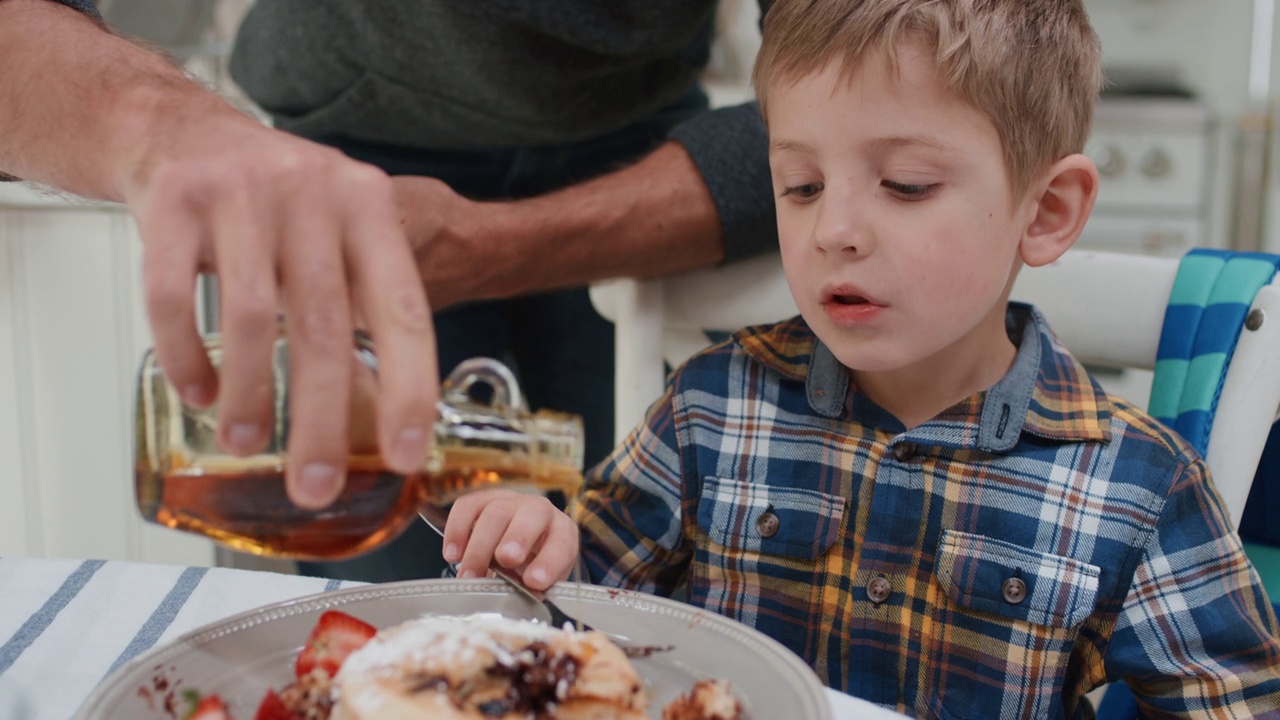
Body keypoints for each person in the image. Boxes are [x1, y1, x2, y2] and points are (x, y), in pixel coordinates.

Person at [443, 0, 1280, 715]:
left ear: (1047, 210)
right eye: (800, 186)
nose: (832, 230)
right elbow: (574, 603)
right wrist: (534, 536)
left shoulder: (1137, 485)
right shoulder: (711, 407)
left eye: (907, 185)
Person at [1, 0, 780, 581]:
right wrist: (150, 122)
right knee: (378, 609)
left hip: (646, 162)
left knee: (611, 589)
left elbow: (847, 70)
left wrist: (488, 246)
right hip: (342, 166)